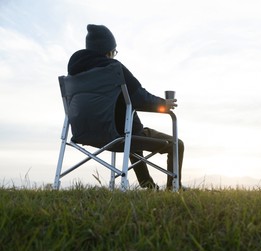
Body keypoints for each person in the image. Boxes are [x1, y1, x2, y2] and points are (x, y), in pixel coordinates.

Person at [67, 24, 184, 190]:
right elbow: (140, 98)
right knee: (176, 144)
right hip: (118, 135)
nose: (114, 55)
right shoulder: (113, 69)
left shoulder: (74, 75)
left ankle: (148, 186)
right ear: (108, 51)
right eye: (114, 51)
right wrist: (162, 104)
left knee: (132, 134)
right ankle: (173, 188)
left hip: (84, 134)